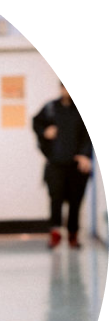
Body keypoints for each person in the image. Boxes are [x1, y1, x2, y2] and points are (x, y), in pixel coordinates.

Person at [32, 83, 92, 249]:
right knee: (55, 199)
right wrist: (45, 132)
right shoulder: (50, 108)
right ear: (61, 88)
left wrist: (85, 155)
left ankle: (73, 235)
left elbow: (89, 134)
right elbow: (35, 122)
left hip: (77, 164)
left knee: (76, 201)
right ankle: (55, 233)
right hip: (56, 163)